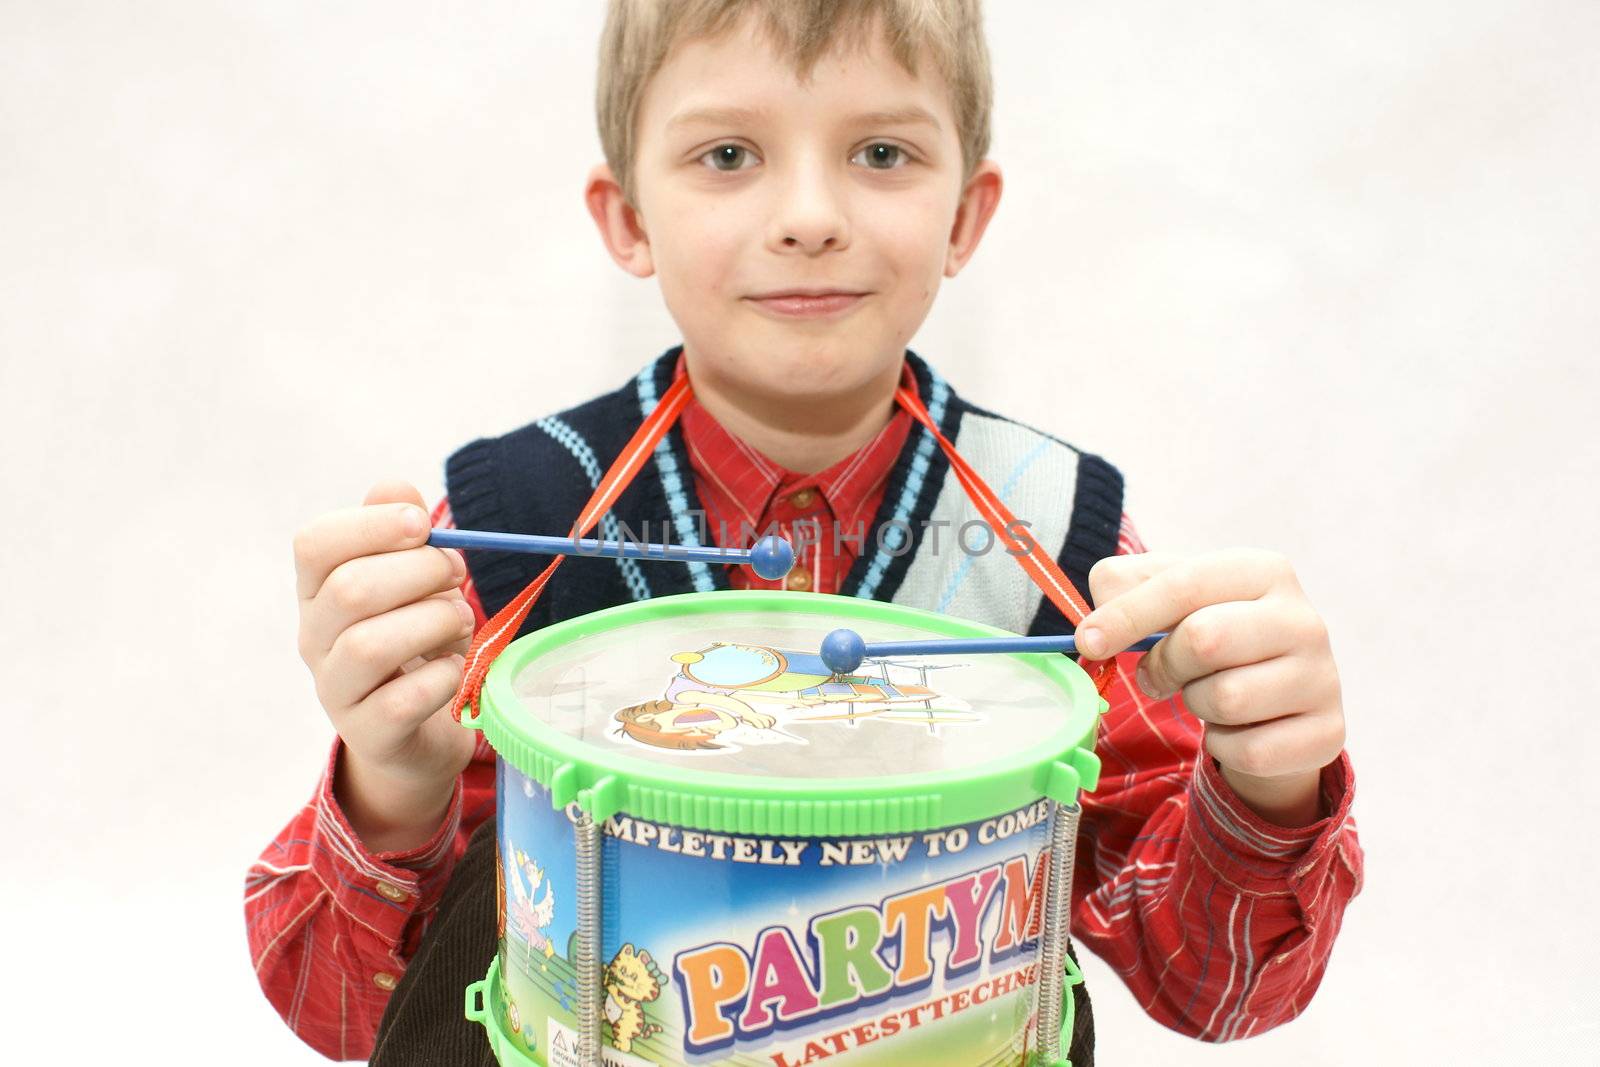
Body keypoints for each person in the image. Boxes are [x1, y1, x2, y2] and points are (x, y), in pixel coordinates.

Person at [246, 2, 1363, 1063]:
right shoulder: (509, 534)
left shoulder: (1057, 535)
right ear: (628, 218)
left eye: (880, 153)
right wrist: (395, 785)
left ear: (964, 216)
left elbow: (1212, 986)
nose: (810, 215)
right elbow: (345, 1011)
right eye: (727, 155)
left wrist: (1266, 783)